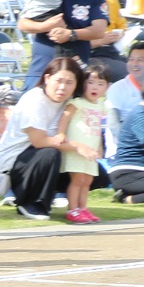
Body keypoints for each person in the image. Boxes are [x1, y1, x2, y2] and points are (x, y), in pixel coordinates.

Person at [0, 56, 81, 220]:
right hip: (15, 162)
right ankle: (29, 203)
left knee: (95, 172)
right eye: (59, 81)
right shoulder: (34, 99)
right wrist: (77, 147)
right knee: (49, 153)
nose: (62, 87)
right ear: (47, 78)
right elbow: (39, 141)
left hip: (37, 158)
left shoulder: (69, 102)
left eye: (69, 82)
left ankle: (64, 200)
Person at [58, 65, 110, 222]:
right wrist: (61, 134)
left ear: (107, 87)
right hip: (76, 150)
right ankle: (72, 209)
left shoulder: (101, 106)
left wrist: (100, 147)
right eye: (91, 82)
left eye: (100, 84)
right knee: (77, 180)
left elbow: (98, 129)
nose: (95, 87)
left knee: (87, 180)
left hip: (91, 151)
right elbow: (65, 118)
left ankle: (83, 208)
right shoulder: (77, 103)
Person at [109, 77, 144, 203]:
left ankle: (129, 197)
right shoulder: (140, 113)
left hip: (142, 174)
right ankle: (126, 199)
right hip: (127, 173)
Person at [107, 42, 144, 159]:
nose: (134, 64)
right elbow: (113, 123)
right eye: (131, 59)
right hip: (124, 151)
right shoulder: (118, 88)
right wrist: (133, 145)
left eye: (140, 60)